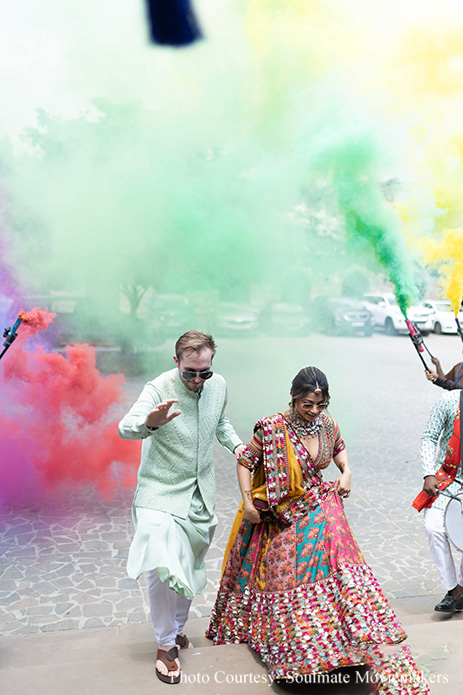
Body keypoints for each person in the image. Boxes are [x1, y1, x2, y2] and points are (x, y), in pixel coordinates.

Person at [207, 367, 429, 692]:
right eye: (307, 404)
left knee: (338, 571)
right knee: (286, 574)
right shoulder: (271, 428)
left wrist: (347, 470)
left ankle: (343, 644)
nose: (313, 411)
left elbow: (339, 447)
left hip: (323, 505)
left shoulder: (327, 424)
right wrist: (250, 504)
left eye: (319, 404)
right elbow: (246, 463)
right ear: (294, 397)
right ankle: (296, 650)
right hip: (282, 514)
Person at [118, 330, 244, 684]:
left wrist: (237, 448)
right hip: (159, 489)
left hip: (198, 493)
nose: (198, 380)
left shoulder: (217, 385)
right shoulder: (158, 388)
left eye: (204, 371)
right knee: (161, 560)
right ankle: (165, 646)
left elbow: (220, 423)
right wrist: (149, 423)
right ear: (177, 363)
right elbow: (125, 426)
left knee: (187, 566)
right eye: (190, 372)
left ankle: (175, 631)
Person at [412, 389, 463, 615]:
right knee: (433, 527)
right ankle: (453, 591)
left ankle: (460, 589)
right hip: (446, 479)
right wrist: (428, 473)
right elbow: (429, 437)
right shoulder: (449, 400)